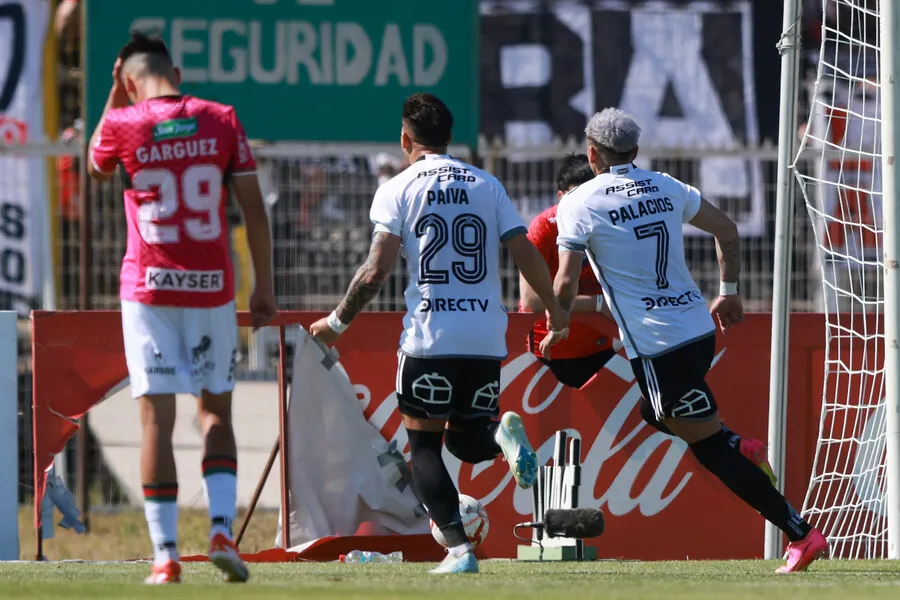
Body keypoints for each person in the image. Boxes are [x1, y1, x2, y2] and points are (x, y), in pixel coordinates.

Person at [541, 108, 828, 574]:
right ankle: (738, 443)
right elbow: (727, 229)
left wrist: (558, 322)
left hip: (659, 346)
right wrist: (729, 291)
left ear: (591, 154)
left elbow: (566, 283)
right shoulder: (666, 185)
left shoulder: (579, 202)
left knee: (709, 450)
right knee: (653, 411)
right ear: (635, 150)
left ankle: (800, 533)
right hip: (697, 332)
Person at [310, 93, 569, 575]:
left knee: (425, 450)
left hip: (430, 338)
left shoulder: (398, 188)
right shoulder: (487, 184)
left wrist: (337, 322)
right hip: (485, 337)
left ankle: (460, 551)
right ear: (450, 137)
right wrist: (555, 311)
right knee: (467, 439)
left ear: (405, 139)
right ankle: (500, 435)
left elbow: (375, 271)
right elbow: (526, 254)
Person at [87, 32, 277, 585]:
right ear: (176, 71)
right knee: (215, 412)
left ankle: (166, 556)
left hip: (147, 289)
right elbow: (253, 211)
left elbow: (96, 166)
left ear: (128, 81)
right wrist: (263, 287)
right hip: (210, 287)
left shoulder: (122, 122)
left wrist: (114, 97)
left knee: (156, 421)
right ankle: (220, 531)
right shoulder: (221, 118)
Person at [519, 154, 617, 388]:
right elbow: (531, 301)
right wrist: (598, 304)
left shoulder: (610, 224)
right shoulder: (543, 227)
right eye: (577, 198)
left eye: (591, 197)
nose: (585, 207)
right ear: (561, 197)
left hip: (599, 348)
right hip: (546, 353)